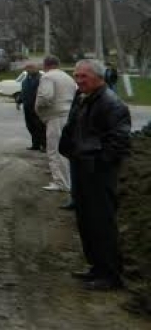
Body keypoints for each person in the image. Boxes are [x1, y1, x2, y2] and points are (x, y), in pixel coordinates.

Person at [60, 59, 132, 291]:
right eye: (77, 76)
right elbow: (75, 129)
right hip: (83, 169)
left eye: (84, 76)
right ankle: (96, 267)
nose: (78, 80)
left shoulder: (111, 104)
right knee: (86, 222)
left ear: (99, 78)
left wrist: (99, 164)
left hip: (98, 174)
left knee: (102, 223)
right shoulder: (84, 99)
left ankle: (110, 274)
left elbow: (119, 142)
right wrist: (70, 150)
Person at [35, 55, 77, 193]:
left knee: (54, 150)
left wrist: (39, 109)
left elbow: (45, 96)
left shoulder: (48, 77)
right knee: (65, 149)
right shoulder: (68, 77)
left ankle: (60, 183)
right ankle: (67, 181)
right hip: (68, 115)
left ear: (46, 65)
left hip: (55, 116)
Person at [19, 64, 46, 151]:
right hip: (27, 106)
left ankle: (44, 145)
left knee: (39, 126)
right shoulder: (26, 79)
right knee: (30, 126)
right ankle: (35, 144)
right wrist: (19, 101)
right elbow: (23, 91)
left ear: (36, 68)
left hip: (36, 107)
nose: (28, 70)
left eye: (30, 68)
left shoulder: (41, 78)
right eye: (27, 69)